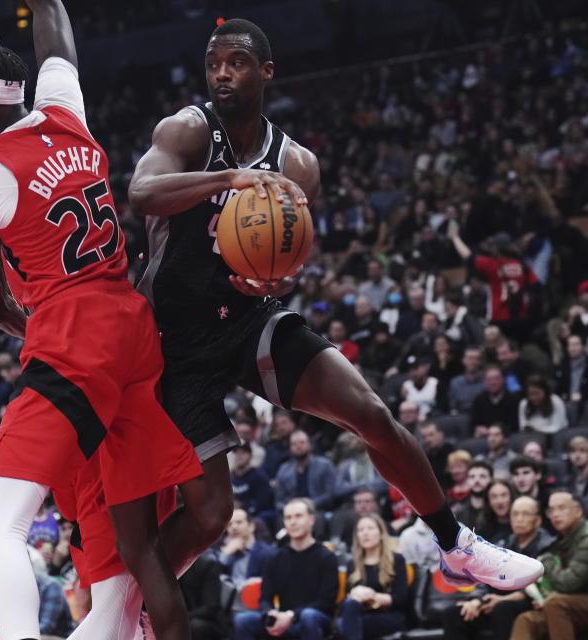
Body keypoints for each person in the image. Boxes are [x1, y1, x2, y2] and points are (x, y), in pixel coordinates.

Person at [127, 13, 531, 589]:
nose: (222, 74)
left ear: (265, 72)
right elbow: (141, 192)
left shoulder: (298, 165)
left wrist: (275, 282)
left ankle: (455, 545)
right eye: (214, 64)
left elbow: (285, 258)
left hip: (248, 320)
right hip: (172, 339)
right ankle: (121, 608)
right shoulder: (188, 130)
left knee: (369, 411)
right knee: (214, 515)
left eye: (236, 63)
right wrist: (227, 181)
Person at [0, 1, 202, 637]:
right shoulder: (64, 110)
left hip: (71, 337)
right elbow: (50, 40)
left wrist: (33, 326)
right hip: (136, 332)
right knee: (122, 559)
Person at [442, 496, 554, 640]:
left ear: (538, 520)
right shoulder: (503, 543)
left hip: (528, 602)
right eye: (515, 514)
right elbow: (484, 574)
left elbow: (539, 587)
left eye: (525, 514)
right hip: (495, 601)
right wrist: (477, 601)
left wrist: (501, 600)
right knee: (454, 613)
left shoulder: (548, 545)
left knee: (503, 609)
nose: (519, 519)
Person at [233, 499, 337, 640]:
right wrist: (270, 613)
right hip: (282, 618)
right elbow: (265, 598)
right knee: (242, 620)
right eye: (288, 518)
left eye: (298, 516)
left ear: (312, 519)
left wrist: (291, 615)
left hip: (313, 619)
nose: (292, 522)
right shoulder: (275, 557)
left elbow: (325, 602)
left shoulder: (327, 556)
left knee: (309, 616)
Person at [510, 491, 588, 640]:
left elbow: (568, 583)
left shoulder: (585, 538)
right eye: (551, 510)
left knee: (555, 603)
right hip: (571, 601)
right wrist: (542, 595)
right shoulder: (561, 539)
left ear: (578, 511)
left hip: (577, 600)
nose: (555, 514)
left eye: (561, 508)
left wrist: (546, 561)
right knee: (526, 620)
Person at [336, 515, 408, 640]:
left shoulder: (396, 560)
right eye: (361, 530)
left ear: (380, 534)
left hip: (389, 615)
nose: (365, 533)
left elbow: (401, 598)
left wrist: (372, 596)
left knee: (345, 625)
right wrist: (354, 594)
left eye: (370, 528)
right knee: (348, 611)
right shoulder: (352, 564)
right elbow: (347, 602)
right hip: (359, 614)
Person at [275, 430, 336, 514]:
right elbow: (279, 500)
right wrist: (291, 507)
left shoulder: (325, 465)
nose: (298, 446)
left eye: (302, 442)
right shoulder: (284, 469)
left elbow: (331, 494)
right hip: (293, 511)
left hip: (319, 510)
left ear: (310, 445)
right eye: (294, 444)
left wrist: (307, 506)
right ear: (290, 448)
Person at [217, 508, 274, 588]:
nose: (234, 527)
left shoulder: (268, 553)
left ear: (251, 526)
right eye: (229, 524)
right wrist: (225, 554)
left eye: (239, 522)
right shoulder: (225, 554)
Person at [230, 443, 275, 525]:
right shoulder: (230, 476)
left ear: (250, 455)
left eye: (243, 453)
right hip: (235, 515)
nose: (239, 456)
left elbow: (263, 503)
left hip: (256, 515)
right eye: (237, 452)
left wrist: (242, 506)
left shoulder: (259, 476)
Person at [471, 367, 521, 436]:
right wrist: (478, 429)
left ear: (503, 380)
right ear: (484, 382)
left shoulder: (513, 400)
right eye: (489, 380)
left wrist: (496, 432)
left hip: (507, 438)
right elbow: (473, 424)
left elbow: (515, 426)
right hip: (485, 438)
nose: (493, 382)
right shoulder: (479, 400)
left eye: (496, 379)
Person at [452, 461, 493, 529]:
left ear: (491, 479)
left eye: (482, 476)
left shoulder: (497, 508)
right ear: (467, 480)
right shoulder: (458, 510)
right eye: (472, 476)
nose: (477, 480)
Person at [475, 480, 517, 545]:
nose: (499, 501)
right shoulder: (482, 530)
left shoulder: (522, 526)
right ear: (488, 501)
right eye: (494, 496)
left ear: (511, 497)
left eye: (504, 495)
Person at [449, 348, 486, 415]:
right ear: (463, 360)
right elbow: (453, 406)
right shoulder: (455, 382)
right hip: (460, 417)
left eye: (476, 359)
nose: (472, 362)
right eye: (469, 358)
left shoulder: (487, 381)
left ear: (480, 361)